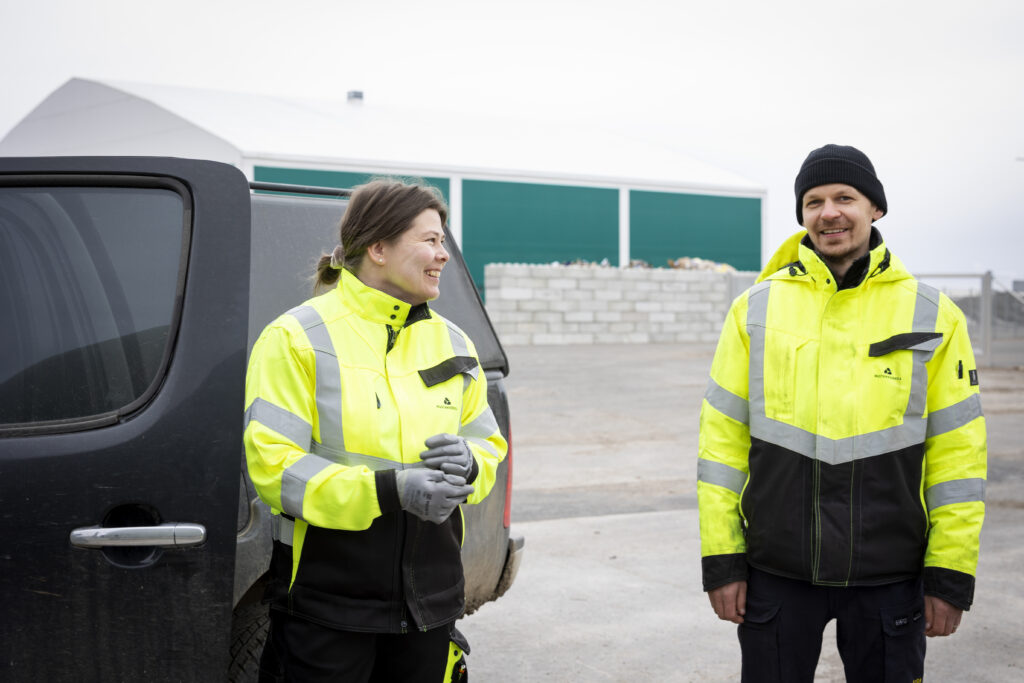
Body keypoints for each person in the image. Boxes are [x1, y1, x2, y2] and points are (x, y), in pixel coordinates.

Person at [697, 144, 987, 682]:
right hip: (775, 574)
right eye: (813, 201)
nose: (829, 212)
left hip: (889, 576)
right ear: (802, 215)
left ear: (875, 208)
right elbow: (721, 447)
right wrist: (723, 562)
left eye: (844, 197)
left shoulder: (934, 315)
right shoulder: (754, 310)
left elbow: (959, 460)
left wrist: (949, 573)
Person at [243, 179, 507, 682]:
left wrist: (471, 462)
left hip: (430, 604)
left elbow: (489, 443)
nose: (443, 253)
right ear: (378, 248)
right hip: (327, 607)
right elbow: (274, 469)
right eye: (429, 239)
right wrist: (391, 490)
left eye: (443, 240)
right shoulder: (296, 339)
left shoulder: (453, 341)